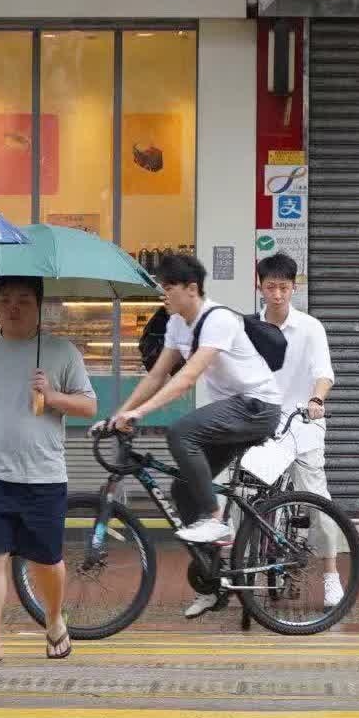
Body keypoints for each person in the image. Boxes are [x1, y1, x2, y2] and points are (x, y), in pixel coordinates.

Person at [101, 253, 282, 619]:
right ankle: (215, 582)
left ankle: (217, 520)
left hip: (257, 406)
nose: (162, 295)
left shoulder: (219, 320)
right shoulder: (177, 324)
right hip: (232, 412)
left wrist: (141, 413)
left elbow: (187, 378)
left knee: (182, 432)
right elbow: (157, 376)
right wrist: (119, 413)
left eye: (168, 288)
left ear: (192, 289)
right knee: (183, 490)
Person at [0, 276, 96, 662]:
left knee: (46, 561)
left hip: (44, 474)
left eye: (24, 301)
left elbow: (89, 406)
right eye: (6, 300)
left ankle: (53, 620)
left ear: (39, 306)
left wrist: (54, 396)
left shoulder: (62, 352)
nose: (13, 307)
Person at [257, 254, 346, 608]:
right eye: (270, 287)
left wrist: (316, 398)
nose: (277, 294)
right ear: (260, 287)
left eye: (283, 287)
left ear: (294, 287)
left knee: (317, 500)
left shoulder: (311, 327)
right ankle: (245, 561)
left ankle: (330, 574)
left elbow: (324, 372)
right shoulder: (252, 329)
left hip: (303, 423)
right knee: (245, 498)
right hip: (264, 425)